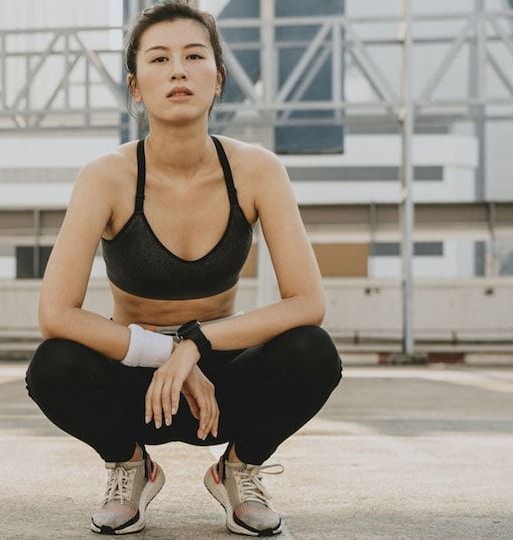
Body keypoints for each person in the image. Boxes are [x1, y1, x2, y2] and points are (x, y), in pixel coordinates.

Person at [24, 1, 343, 536]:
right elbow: (55, 314)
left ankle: (238, 469)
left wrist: (195, 344)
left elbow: (308, 302)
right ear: (135, 86)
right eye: (159, 59)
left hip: (219, 384)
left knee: (314, 351)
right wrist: (168, 352)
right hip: (137, 381)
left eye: (194, 56)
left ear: (218, 80)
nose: (178, 70)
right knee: (52, 366)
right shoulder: (106, 177)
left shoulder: (257, 170)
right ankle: (132, 465)